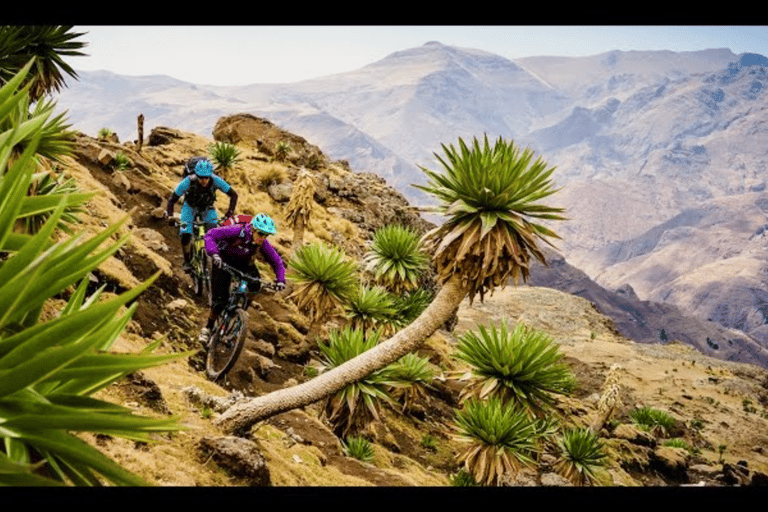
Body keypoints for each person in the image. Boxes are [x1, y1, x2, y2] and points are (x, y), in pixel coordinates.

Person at [201, 213, 287, 343]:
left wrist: (281, 280)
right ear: (253, 229)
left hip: (244, 264)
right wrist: (214, 254)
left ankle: (241, 313)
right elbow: (211, 235)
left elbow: (277, 262)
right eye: (261, 234)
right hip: (223, 261)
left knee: (255, 285)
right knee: (220, 301)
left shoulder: (262, 243)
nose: (263, 238)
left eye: (266, 235)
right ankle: (208, 327)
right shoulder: (237, 231)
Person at [165, 158, 238, 273]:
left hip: (207, 209)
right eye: (200, 177)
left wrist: (229, 213)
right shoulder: (188, 181)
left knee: (214, 233)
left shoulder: (216, 180)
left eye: (206, 177)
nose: (204, 180)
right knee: (185, 234)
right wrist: (169, 216)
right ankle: (187, 261)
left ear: (210, 175)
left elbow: (233, 195)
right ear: (196, 175)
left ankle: (215, 258)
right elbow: (172, 200)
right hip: (189, 208)